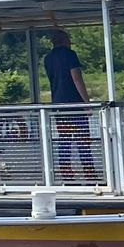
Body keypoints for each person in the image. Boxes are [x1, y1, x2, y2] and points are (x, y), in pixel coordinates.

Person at [42, 29, 96, 180]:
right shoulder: (70, 55)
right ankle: (90, 174)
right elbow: (76, 79)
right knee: (83, 142)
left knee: (64, 141)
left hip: (58, 106)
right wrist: (87, 103)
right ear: (65, 40)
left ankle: (67, 175)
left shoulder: (48, 58)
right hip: (75, 105)